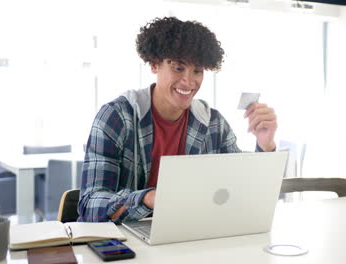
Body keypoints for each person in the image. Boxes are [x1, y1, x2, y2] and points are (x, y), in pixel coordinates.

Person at [78, 17, 277, 223]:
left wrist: (265, 145)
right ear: (155, 64)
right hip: (126, 243)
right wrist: (148, 199)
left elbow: (245, 195)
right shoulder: (117, 117)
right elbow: (90, 205)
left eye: (197, 71)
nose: (189, 81)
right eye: (178, 68)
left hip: (188, 237)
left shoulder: (214, 125)